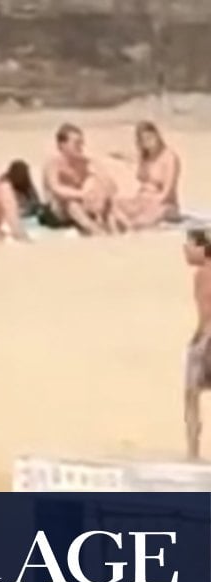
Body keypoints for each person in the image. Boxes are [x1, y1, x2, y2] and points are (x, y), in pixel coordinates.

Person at [42, 123, 129, 235]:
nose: (81, 146)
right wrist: (82, 194)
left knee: (105, 196)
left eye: (81, 142)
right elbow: (56, 189)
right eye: (76, 143)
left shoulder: (86, 163)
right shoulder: (53, 164)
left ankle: (119, 230)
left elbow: (111, 185)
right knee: (71, 203)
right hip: (58, 210)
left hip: (85, 205)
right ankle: (96, 231)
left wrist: (100, 190)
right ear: (62, 145)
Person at [115, 121, 182, 229]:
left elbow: (168, 191)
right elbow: (140, 178)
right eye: (144, 140)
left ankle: (131, 225)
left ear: (157, 135)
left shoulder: (170, 157)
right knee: (114, 204)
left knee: (142, 220)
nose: (148, 142)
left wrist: (151, 204)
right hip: (141, 199)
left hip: (164, 204)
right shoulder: (144, 156)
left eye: (150, 137)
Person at [183, 229, 211, 460]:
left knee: (191, 395)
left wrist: (198, 337)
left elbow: (207, 311)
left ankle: (193, 452)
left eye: (190, 245)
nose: (185, 250)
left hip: (208, 338)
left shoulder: (203, 274)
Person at [0, 159, 40, 240]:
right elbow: (6, 209)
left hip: (27, 215)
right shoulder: (5, 185)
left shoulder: (26, 185)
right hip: (12, 216)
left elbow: (35, 201)